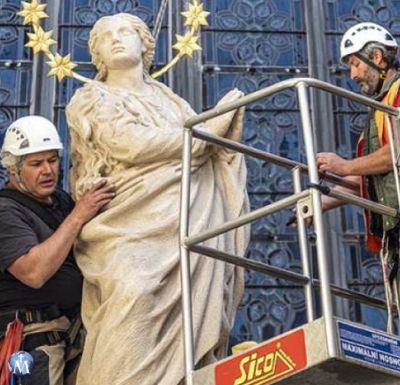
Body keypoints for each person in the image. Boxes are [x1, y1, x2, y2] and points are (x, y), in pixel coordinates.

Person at [65, 13, 249, 385]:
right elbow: (126, 143)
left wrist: (221, 141)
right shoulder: (89, 99)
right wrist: (204, 135)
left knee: (191, 312)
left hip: (187, 220)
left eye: (126, 32)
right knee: (133, 289)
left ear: (144, 44)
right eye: (106, 36)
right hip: (126, 221)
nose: (117, 40)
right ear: (97, 53)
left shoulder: (174, 103)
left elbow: (208, 154)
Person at [316, 22, 400, 342]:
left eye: (355, 64)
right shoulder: (382, 106)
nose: (352, 75)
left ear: (378, 57)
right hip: (399, 224)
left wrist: (344, 164)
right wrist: (324, 198)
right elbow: (369, 175)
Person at [0, 115, 114, 385]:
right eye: (36, 164)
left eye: (52, 160)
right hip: (31, 341)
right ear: (13, 170)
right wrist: (78, 215)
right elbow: (33, 272)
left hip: (74, 333)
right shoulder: (6, 212)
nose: (48, 170)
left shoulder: (60, 202)